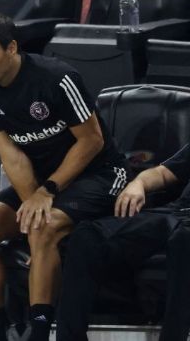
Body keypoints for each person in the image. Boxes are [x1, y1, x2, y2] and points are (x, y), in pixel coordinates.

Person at [0, 13, 127, 341]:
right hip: (41, 181)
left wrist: (47, 191)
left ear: (12, 49)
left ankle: (39, 332)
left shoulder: (57, 78)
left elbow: (92, 141)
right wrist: (32, 197)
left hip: (100, 174)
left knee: (43, 226)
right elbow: (12, 155)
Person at [56, 143, 190, 341]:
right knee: (87, 235)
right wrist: (138, 184)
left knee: (183, 240)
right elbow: (162, 174)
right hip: (175, 213)